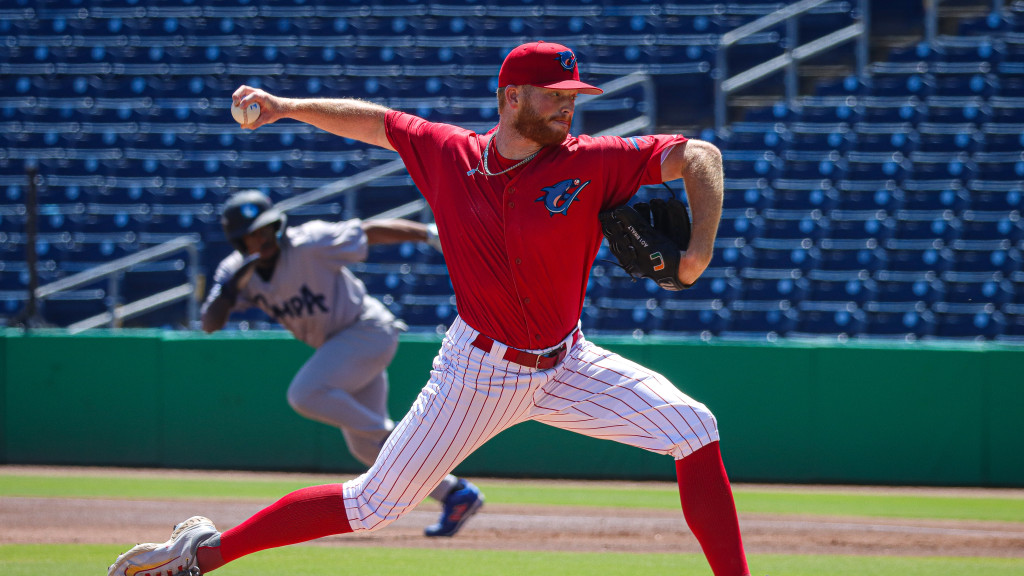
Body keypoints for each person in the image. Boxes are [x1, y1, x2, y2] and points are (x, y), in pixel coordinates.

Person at [109, 41, 750, 576]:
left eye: (572, 97)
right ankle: (199, 555)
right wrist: (285, 108)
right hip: (479, 373)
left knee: (694, 429)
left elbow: (700, 156)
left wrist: (696, 252)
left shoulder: (594, 162)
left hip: (568, 360)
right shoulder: (451, 155)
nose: (567, 108)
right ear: (512, 98)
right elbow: (375, 122)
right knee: (371, 506)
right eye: (555, 95)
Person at [198, 189, 483, 538]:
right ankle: (455, 493)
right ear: (239, 241)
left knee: (306, 393)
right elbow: (209, 323)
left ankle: (401, 438)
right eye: (253, 234)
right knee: (364, 446)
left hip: (367, 330)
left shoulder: (308, 242)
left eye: (267, 228)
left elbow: (368, 231)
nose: (264, 238)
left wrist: (424, 233)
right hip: (341, 347)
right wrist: (228, 289)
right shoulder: (235, 272)